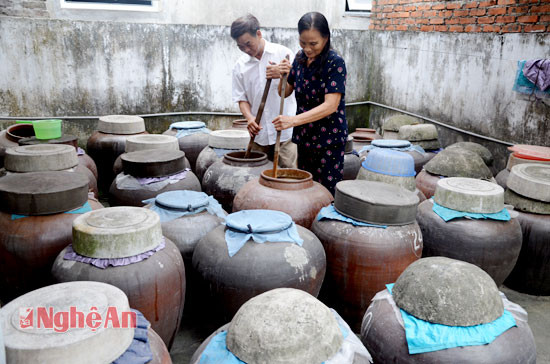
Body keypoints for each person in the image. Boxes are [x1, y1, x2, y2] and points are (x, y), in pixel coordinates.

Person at [273, 12, 347, 195]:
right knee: (306, 188)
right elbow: (284, 92)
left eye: (313, 43)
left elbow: (331, 105)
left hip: (328, 139)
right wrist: (282, 76)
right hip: (305, 137)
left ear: (326, 38)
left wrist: (292, 121)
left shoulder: (335, 63)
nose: (307, 48)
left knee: (325, 193)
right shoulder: (299, 59)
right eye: (303, 42)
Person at [231, 14, 298, 168]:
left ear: (259, 34)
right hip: (259, 135)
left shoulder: (283, 54)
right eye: (241, 46)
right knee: (257, 179)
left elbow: (291, 90)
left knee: (288, 178)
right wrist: (249, 118)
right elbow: (241, 98)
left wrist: (283, 76)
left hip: (285, 133)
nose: (246, 50)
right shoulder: (240, 66)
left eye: (248, 44)